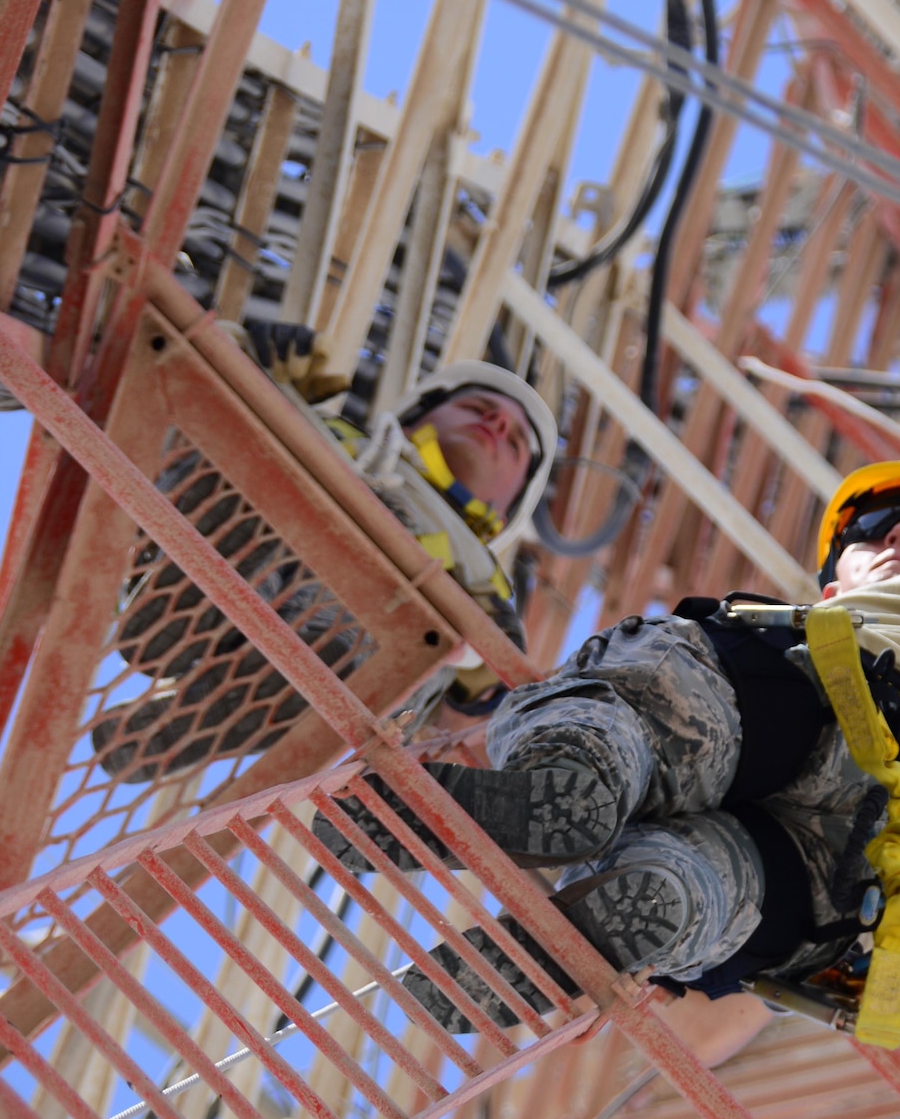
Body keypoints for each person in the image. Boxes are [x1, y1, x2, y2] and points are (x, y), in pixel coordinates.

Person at [318, 207, 900, 1064]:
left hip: (802, 717)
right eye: (881, 524)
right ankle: (633, 906)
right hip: (833, 866)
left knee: (657, 685)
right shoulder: (866, 621)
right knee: (693, 889)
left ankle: (575, 786)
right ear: (833, 578)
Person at [92, 329, 556, 782]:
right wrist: (253, 366)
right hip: (256, 529)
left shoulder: (482, 580)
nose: (496, 424)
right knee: (254, 447)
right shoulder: (321, 428)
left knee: (371, 669)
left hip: (339, 642)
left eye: (513, 441)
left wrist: (487, 668)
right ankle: (167, 620)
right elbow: (186, 393)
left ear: (505, 510)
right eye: (479, 408)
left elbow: (462, 726)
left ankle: (175, 728)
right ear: (413, 418)